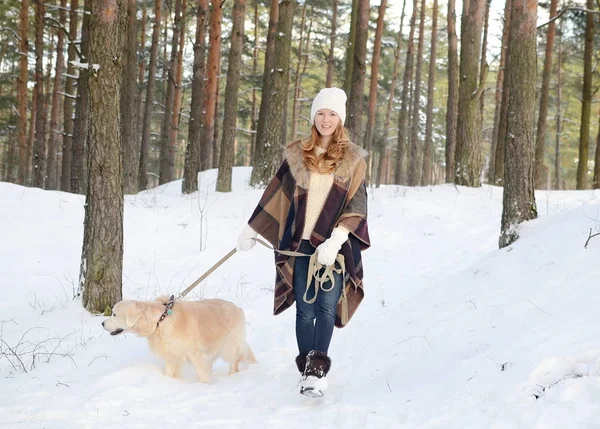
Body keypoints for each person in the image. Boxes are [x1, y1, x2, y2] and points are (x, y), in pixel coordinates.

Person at [236, 87, 370, 397]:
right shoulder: (297, 154)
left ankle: (317, 370)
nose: (326, 119)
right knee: (304, 311)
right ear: (313, 117)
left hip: (332, 248)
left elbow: (358, 204)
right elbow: (274, 195)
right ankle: (307, 367)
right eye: (321, 113)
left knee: (325, 308)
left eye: (332, 114)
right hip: (299, 245)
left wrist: (336, 240)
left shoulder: (353, 160)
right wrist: (251, 230)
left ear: (340, 119)